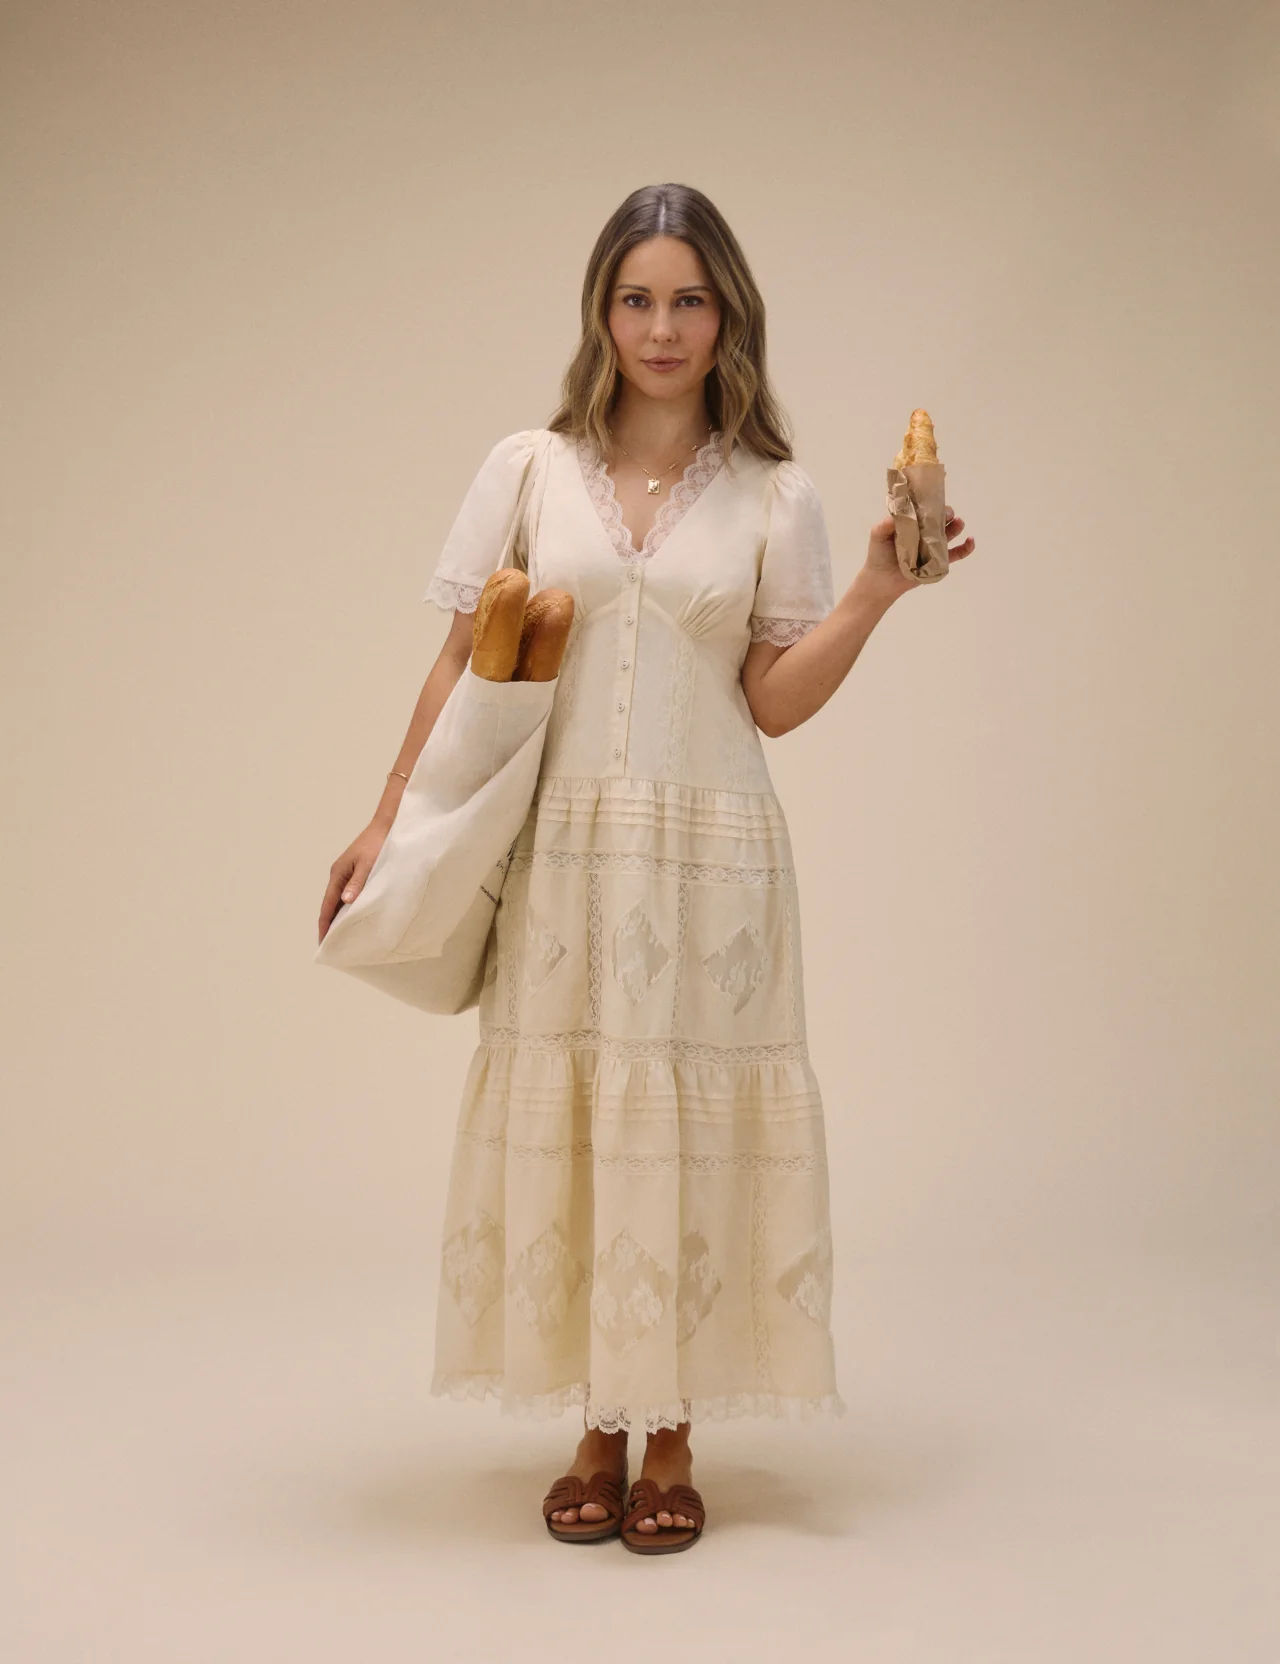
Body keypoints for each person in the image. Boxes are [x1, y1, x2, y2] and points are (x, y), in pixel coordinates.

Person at [317, 182, 976, 1553]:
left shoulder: (774, 493)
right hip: (562, 850)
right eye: (636, 299)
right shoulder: (528, 469)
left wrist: (876, 590)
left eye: (688, 299)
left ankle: (669, 1430)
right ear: (601, 313)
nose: (662, 328)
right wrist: (389, 816)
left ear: (727, 314)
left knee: (683, 1123)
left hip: (710, 861)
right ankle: (596, 1425)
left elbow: (773, 701)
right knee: (582, 1119)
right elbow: (459, 658)